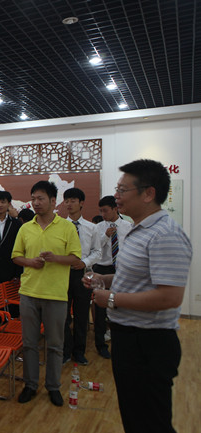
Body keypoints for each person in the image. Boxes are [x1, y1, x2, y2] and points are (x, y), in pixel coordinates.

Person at [86, 159, 191, 433]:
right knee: (134, 420)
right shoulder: (136, 230)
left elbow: (169, 297)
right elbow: (133, 278)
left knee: (151, 423)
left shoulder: (165, 234)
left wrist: (110, 299)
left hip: (148, 343)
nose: (116, 196)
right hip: (129, 338)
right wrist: (103, 279)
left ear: (148, 193)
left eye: (122, 190)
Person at [11, 181, 81, 407]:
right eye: (33, 198)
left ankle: (53, 386)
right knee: (29, 343)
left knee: (55, 344)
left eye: (40, 198)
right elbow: (16, 256)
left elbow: (75, 258)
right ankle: (30, 384)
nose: (36, 202)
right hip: (28, 293)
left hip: (56, 294)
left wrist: (55, 258)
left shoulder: (67, 227)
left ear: (53, 201)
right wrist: (30, 262)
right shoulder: (25, 228)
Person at [62, 188, 101, 365]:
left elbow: (97, 252)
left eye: (73, 200)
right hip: (63, 273)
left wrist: (84, 263)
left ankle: (79, 351)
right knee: (63, 315)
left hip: (83, 274)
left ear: (81, 203)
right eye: (66, 201)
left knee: (82, 314)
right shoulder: (60, 226)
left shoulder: (92, 227)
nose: (69, 204)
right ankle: (65, 350)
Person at [92, 195, 131, 359]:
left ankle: (121, 341)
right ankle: (100, 344)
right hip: (101, 268)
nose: (103, 214)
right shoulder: (98, 227)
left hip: (120, 269)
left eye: (105, 210)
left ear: (115, 209)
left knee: (119, 305)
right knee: (100, 308)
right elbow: (95, 248)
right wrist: (106, 236)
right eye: (100, 211)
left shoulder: (128, 226)